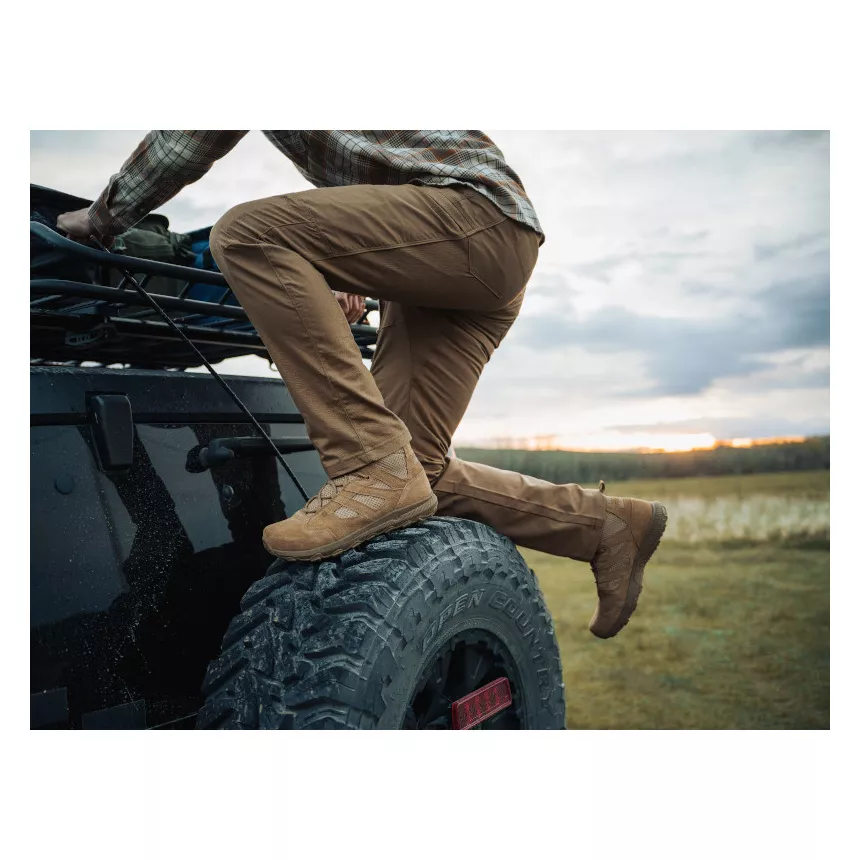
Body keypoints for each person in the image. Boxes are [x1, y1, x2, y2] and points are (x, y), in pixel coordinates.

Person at [58, 130, 667, 639]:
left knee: (249, 233)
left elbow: (189, 137)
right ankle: (605, 526)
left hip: (471, 219)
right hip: (467, 250)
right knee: (415, 471)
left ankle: (369, 466)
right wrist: (338, 261)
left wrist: (102, 216)